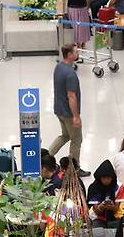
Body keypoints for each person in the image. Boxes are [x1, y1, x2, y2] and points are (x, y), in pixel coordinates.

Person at [48, 44, 90, 178]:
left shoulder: (58, 67)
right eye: (76, 52)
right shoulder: (71, 74)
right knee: (76, 140)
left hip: (58, 109)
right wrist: (76, 116)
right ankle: (74, 168)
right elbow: (71, 96)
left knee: (65, 135)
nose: (78, 53)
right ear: (70, 55)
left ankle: (46, 158)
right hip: (68, 113)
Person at [87, 160, 124, 229]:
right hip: (98, 218)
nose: (106, 180)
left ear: (112, 178)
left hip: (114, 217)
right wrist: (101, 207)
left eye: (108, 178)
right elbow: (97, 212)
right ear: (100, 177)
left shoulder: (119, 187)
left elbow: (116, 209)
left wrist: (112, 206)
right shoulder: (93, 188)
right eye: (104, 178)